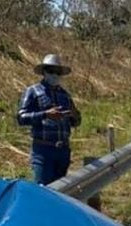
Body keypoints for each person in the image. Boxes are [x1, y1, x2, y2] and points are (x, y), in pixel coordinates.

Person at [17, 53, 82, 185]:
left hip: (63, 151)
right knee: (43, 189)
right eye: (51, 71)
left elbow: (76, 121)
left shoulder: (65, 95)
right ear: (44, 72)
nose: (54, 75)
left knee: (60, 190)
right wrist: (45, 114)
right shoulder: (33, 91)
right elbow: (21, 117)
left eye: (58, 72)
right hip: (43, 150)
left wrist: (74, 115)